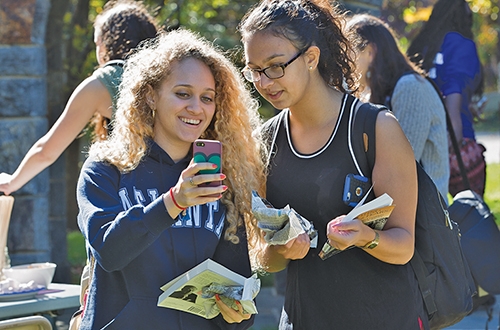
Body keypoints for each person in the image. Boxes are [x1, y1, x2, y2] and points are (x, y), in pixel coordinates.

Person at [239, 0, 427, 329]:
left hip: (382, 318)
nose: (265, 82)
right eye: (254, 70)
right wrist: (282, 248)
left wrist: (363, 237)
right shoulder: (265, 141)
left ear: (311, 58)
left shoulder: (376, 128)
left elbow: (404, 246)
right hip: (303, 320)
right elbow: (266, 261)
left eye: (275, 66)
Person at [76, 29, 265, 329]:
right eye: (182, 93)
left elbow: (237, 289)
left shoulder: (221, 183)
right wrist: (173, 201)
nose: (196, 108)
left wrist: (238, 314)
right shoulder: (105, 169)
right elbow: (109, 251)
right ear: (151, 95)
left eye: (207, 98)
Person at [0, 0, 159, 195]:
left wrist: (12, 182)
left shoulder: (101, 83)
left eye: (96, 43)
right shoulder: (167, 78)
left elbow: (46, 151)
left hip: (138, 196)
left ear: (105, 45)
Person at [345, 13, 449, 200]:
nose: (344, 62)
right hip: (400, 205)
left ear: (370, 52)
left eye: (348, 53)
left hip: (425, 217)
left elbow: (402, 165)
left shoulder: (410, 87)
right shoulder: (373, 92)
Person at [407, 0, 486, 197]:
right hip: (455, 140)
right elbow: (453, 90)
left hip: (420, 139)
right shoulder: (462, 45)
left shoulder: (422, 44)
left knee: (429, 213)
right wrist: (454, 139)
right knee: (472, 215)